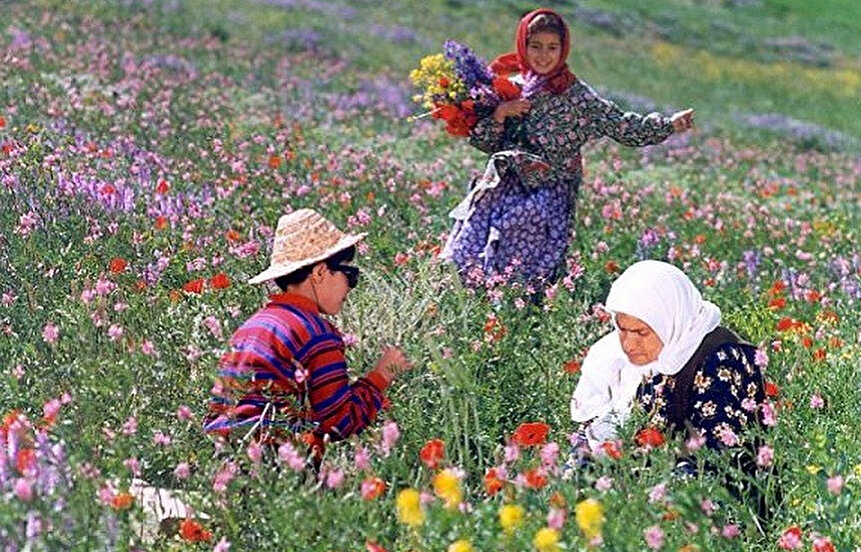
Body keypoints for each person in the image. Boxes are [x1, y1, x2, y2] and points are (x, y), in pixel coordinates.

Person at [440, 8, 694, 288]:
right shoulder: (508, 86)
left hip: (548, 191)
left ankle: (520, 311)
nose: (543, 55)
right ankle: (475, 306)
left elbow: (622, 126)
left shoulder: (576, 95)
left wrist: (669, 125)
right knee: (470, 256)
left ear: (563, 49)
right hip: (502, 186)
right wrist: (500, 113)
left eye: (552, 47)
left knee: (522, 263)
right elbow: (485, 142)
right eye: (535, 46)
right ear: (523, 46)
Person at [204, 209, 411, 458]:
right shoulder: (317, 334)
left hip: (222, 458)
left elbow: (220, 407)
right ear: (320, 273)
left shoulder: (252, 326)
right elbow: (337, 423)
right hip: (274, 466)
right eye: (350, 275)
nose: (351, 287)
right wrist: (380, 377)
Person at [570, 260, 766, 454]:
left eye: (641, 332)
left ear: (668, 321)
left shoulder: (720, 361)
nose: (628, 344)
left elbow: (716, 458)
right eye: (622, 329)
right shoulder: (627, 356)